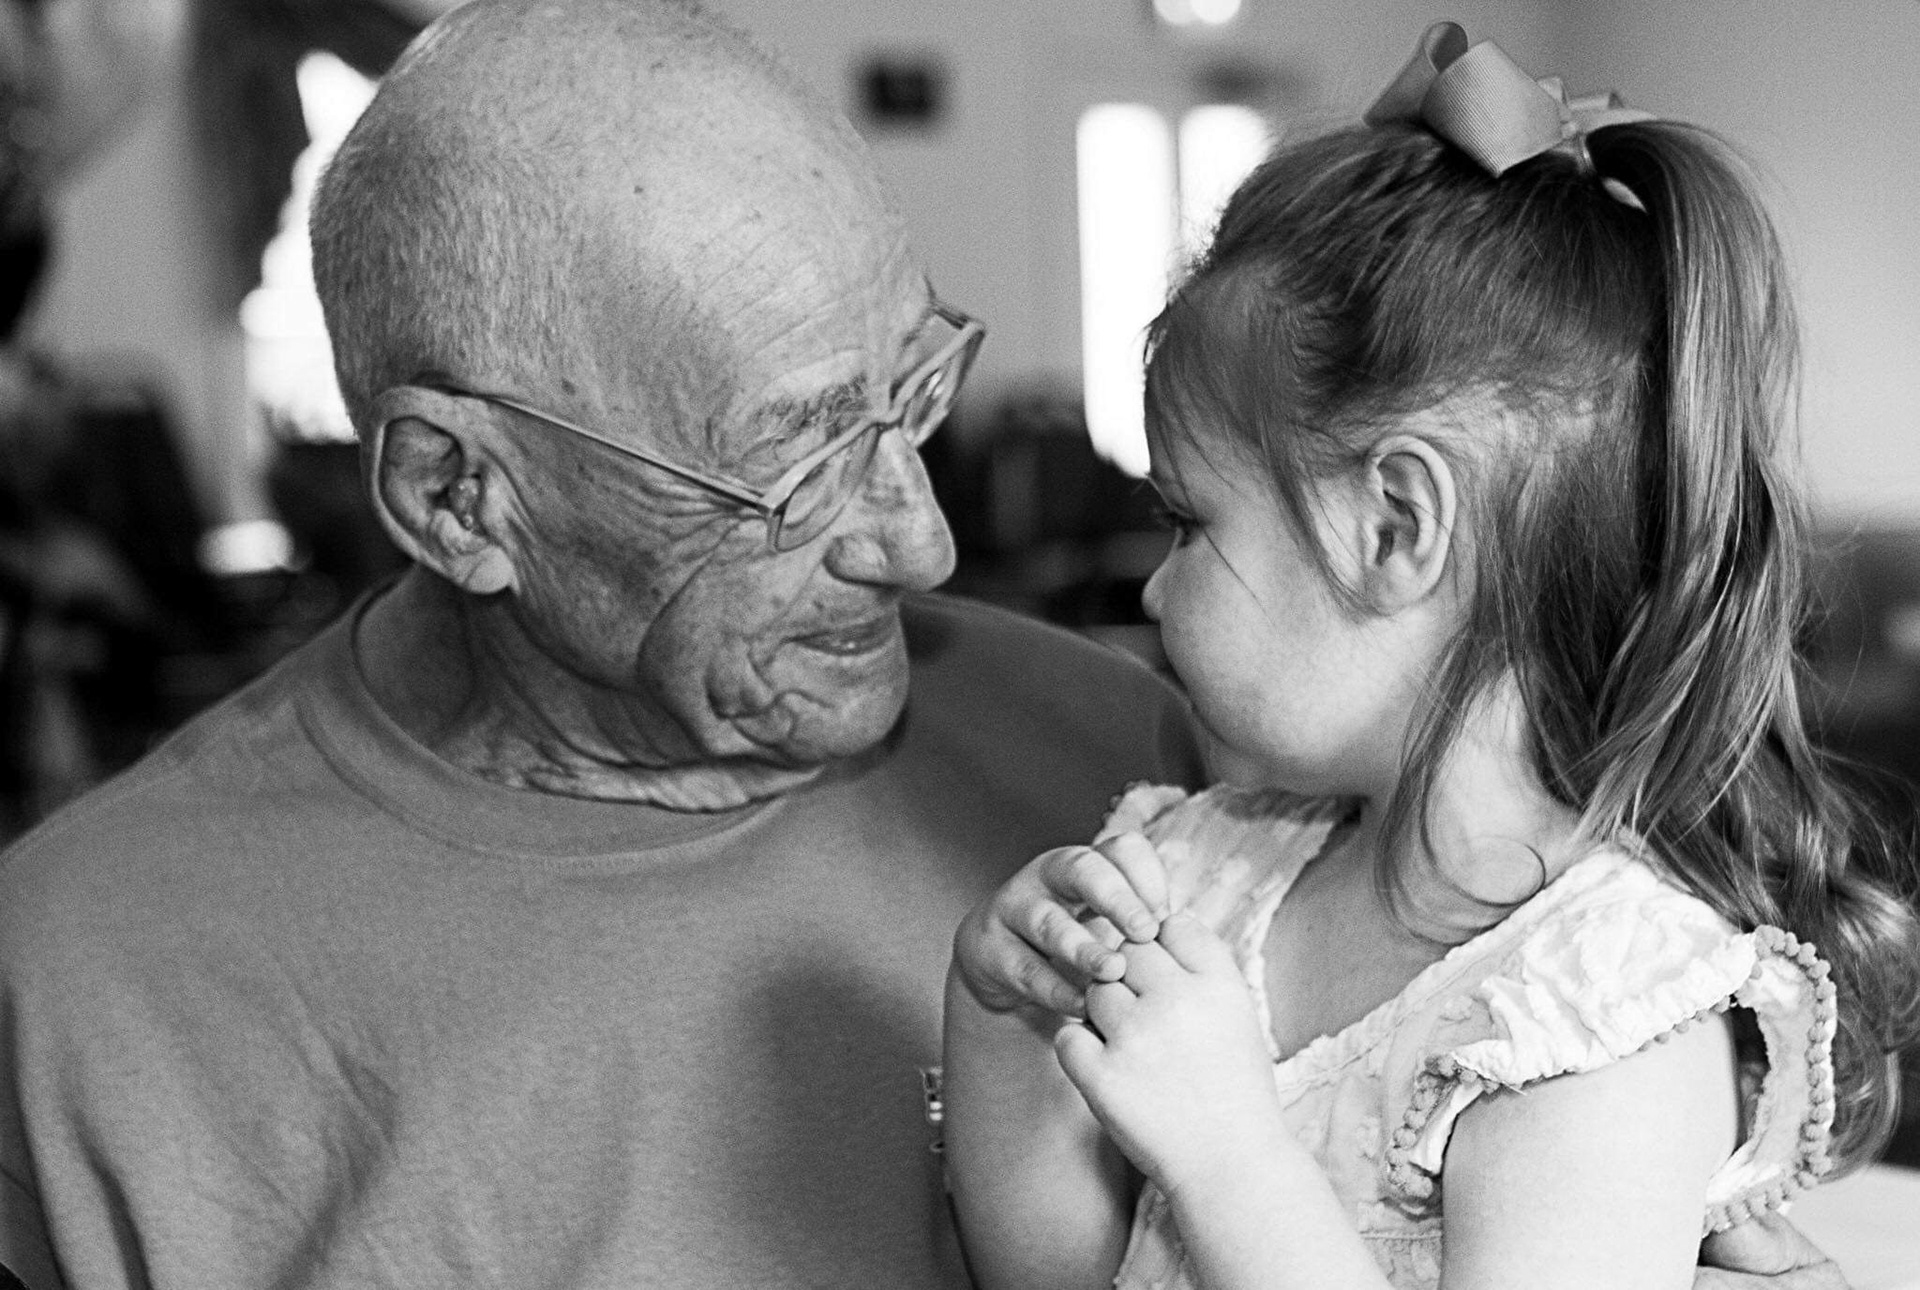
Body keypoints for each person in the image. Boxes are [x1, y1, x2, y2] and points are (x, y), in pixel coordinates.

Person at [0, 2, 1206, 1286]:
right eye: (792, 472)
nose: (922, 547)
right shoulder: (75, 995)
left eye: (913, 395)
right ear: (459, 497)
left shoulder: (1139, 772)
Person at [942, 22, 1918, 1290]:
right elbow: (1055, 1278)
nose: (1158, 586)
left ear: (1397, 528)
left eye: (1189, 521)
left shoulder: (1597, 1010)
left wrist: (1228, 1156)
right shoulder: (1208, 875)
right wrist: (1002, 1031)